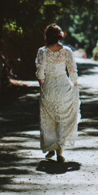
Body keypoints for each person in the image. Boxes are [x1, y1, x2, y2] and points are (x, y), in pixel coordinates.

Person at [35, 24, 80, 162]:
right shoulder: (67, 51)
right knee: (62, 117)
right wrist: (75, 84)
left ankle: (50, 147)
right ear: (59, 36)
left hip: (48, 86)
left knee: (49, 118)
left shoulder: (42, 51)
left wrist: (41, 81)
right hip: (63, 86)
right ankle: (60, 150)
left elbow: (40, 71)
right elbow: (72, 71)